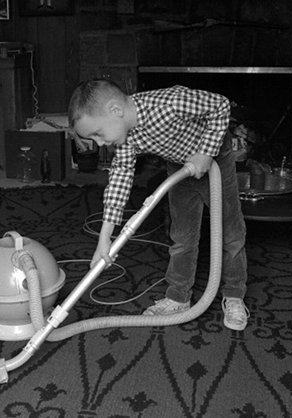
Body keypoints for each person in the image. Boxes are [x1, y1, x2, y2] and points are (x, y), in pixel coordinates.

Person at [67, 79, 249, 331]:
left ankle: (234, 294)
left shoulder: (169, 103)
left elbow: (220, 106)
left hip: (216, 157)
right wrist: (104, 238)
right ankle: (178, 297)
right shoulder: (126, 139)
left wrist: (206, 152)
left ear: (115, 111)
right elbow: (119, 180)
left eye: (98, 134)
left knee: (230, 231)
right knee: (183, 235)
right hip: (180, 165)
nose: (99, 144)